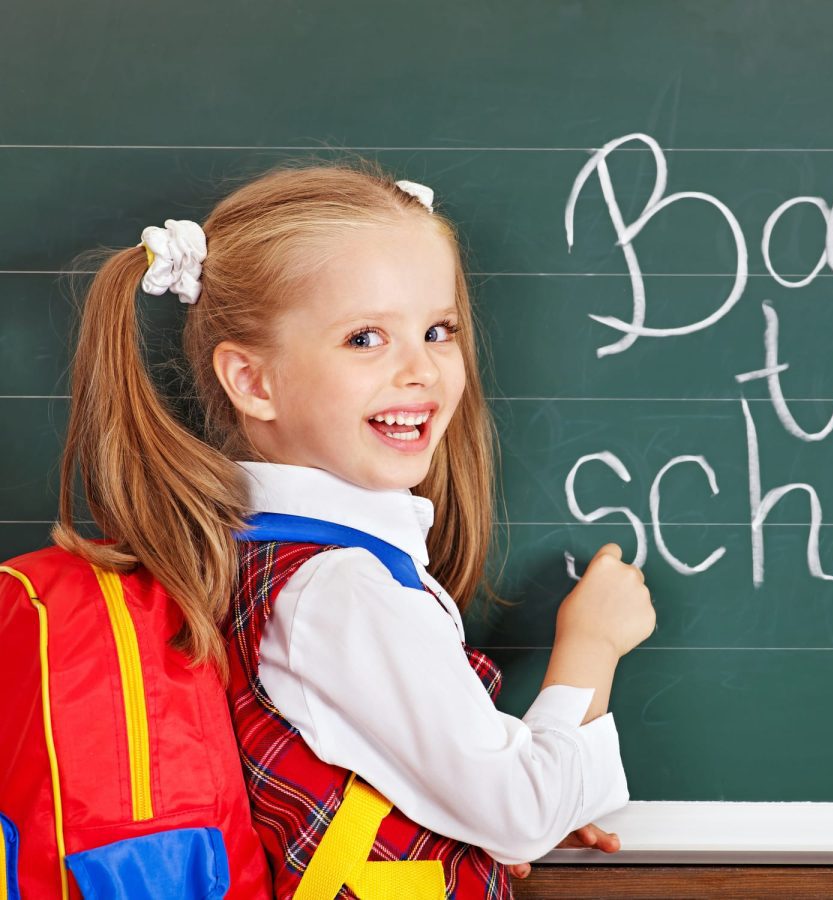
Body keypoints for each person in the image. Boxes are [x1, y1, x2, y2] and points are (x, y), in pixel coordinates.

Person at [51, 158, 656, 899]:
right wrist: (590, 647)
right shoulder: (338, 589)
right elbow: (519, 813)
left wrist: (476, 808)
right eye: (365, 339)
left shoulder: (271, 556)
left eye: (438, 331)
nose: (422, 370)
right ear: (253, 382)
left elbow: (383, 770)